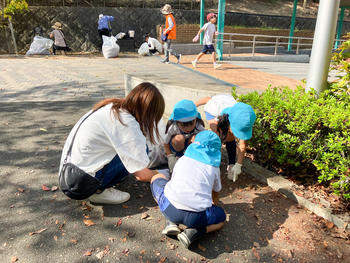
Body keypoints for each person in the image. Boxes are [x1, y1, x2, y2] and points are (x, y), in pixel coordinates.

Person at [58, 82, 165, 204]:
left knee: (134, 152)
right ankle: (99, 192)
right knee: (142, 151)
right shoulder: (126, 123)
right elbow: (141, 174)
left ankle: (101, 183)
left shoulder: (114, 107)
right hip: (80, 185)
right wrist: (161, 177)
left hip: (68, 172)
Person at [151, 130, 226, 249]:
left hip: (169, 207)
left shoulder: (182, 159)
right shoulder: (213, 168)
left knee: (156, 178)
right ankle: (194, 232)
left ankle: (170, 222)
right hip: (195, 217)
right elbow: (216, 191)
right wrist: (213, 204)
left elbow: (173, 181)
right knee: (221, 218)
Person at [196, 96, 256, 182]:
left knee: (230, 137)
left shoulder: (243, 117)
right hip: (213, 113)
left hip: (228, 110)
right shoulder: (214, 107)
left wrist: (239, 164)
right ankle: (212, 163)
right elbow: (207, 99)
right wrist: (193, 106)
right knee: (217, 136)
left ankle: (231, 164)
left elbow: (242, 144)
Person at [164, 99, 205, 172]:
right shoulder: (173, 127)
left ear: (196, 119)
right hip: (177, 146)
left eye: (191, 124)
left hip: (189, 146)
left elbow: (205, 138)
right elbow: (165, 143)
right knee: (178, 139)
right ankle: (178, 156)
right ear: (177, 122)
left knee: (197, 137)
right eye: (183, 126)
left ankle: (190, 156)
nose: (188, 129)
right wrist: (170, 156)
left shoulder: (198, 125)